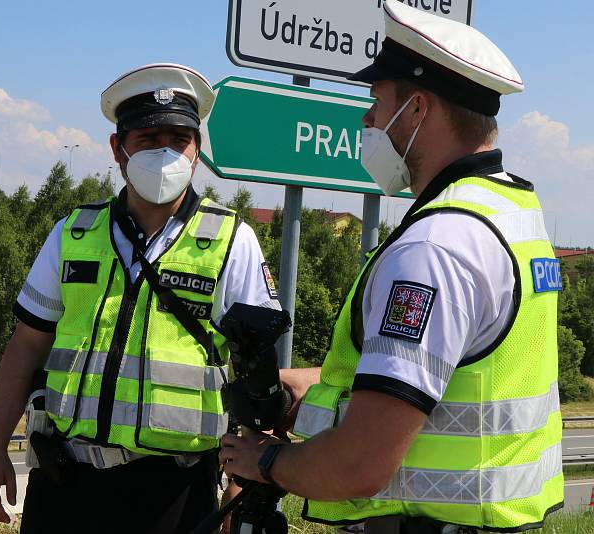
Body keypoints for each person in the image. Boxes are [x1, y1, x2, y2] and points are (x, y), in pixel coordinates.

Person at [220, 2, 563, 533]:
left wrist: (264, 462)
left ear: (418, 109)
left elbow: (359, 466)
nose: (366, 119)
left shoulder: (434, 248)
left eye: (376, 101)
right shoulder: (511, 212)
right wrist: (303, 389)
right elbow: (449, 377)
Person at [0, 63, 280, 534]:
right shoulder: (72, 234)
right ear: (118, 149)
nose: (165, 153)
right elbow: (26, 346)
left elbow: (257, 373)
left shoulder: (231, 241)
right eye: (148, 138)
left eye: (179, 140)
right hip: (64, 484)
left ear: (197, 151)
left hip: (173, 493)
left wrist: (244, 483)